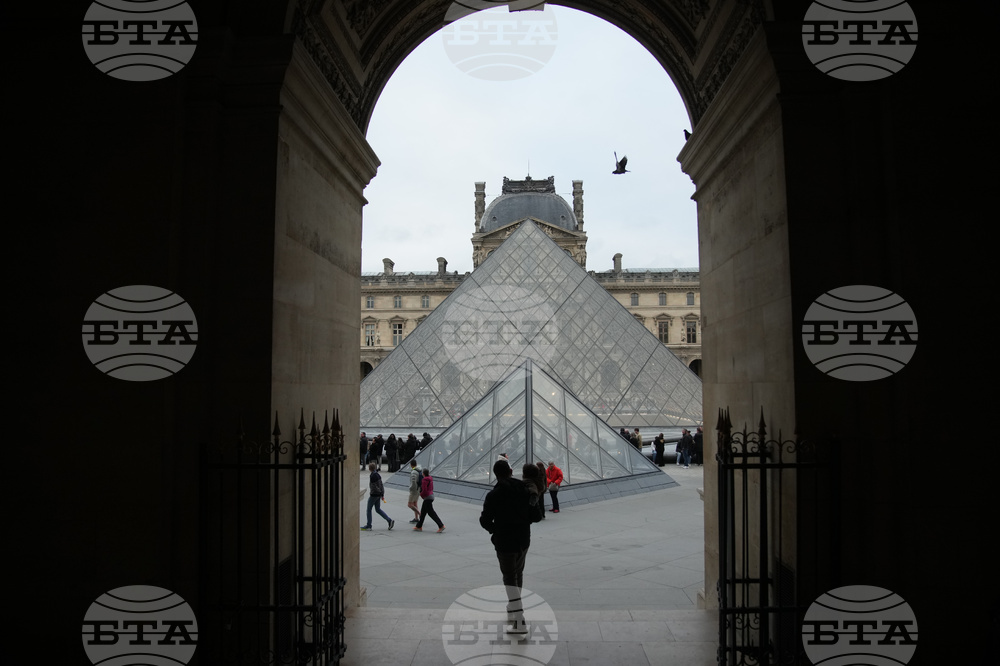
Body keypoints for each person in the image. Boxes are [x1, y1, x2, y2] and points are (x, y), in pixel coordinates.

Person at [480, 460, 539, 635]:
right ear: (511, 471)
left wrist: (495, 530)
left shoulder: (494, 495)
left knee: (509, 578)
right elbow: (534, 516)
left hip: (505, 542)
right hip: (523, 540)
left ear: (495, 474)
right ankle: (513, 605)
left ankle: (519, 619)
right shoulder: (523, 488)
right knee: (518, 574)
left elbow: (484, 520)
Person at [361, 462, 394, 531]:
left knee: (368, 509)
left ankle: (369, 525)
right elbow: (381, 485)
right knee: (378, 509)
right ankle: (389, 520)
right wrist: (382, 494)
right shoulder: (378, 475)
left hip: (374, 495)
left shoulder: (372, 476)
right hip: (378, 495)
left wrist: (377, 492)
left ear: (370, 469)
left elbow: (374, 486)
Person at [414, 467, 445, 532]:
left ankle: (441, 525)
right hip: (431, 496)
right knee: (423, 512)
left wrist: (421, 495)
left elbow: (424, 490)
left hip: (427, 497)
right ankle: (419, 526)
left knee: (431, 513)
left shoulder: (424, 480)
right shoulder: (430, 478)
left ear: (423, 474)